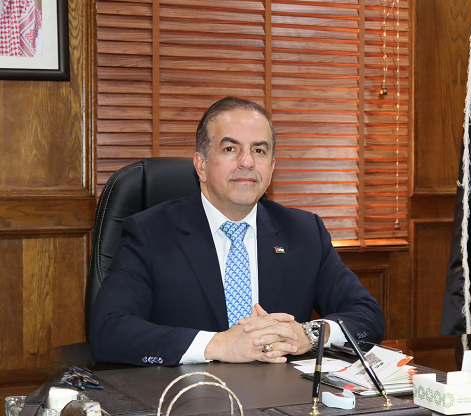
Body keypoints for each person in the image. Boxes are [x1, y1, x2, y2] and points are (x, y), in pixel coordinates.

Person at [89, 96, 385, 366]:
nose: (247, 162)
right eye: (230, 149)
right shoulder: (150, 232)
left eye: (259, 150)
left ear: (271, 167)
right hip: (189, 394)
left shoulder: (304, 232)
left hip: (284, 395)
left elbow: (367, 315)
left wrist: (311, 333)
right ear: (201, 165)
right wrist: (217, 345)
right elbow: (108, 330)